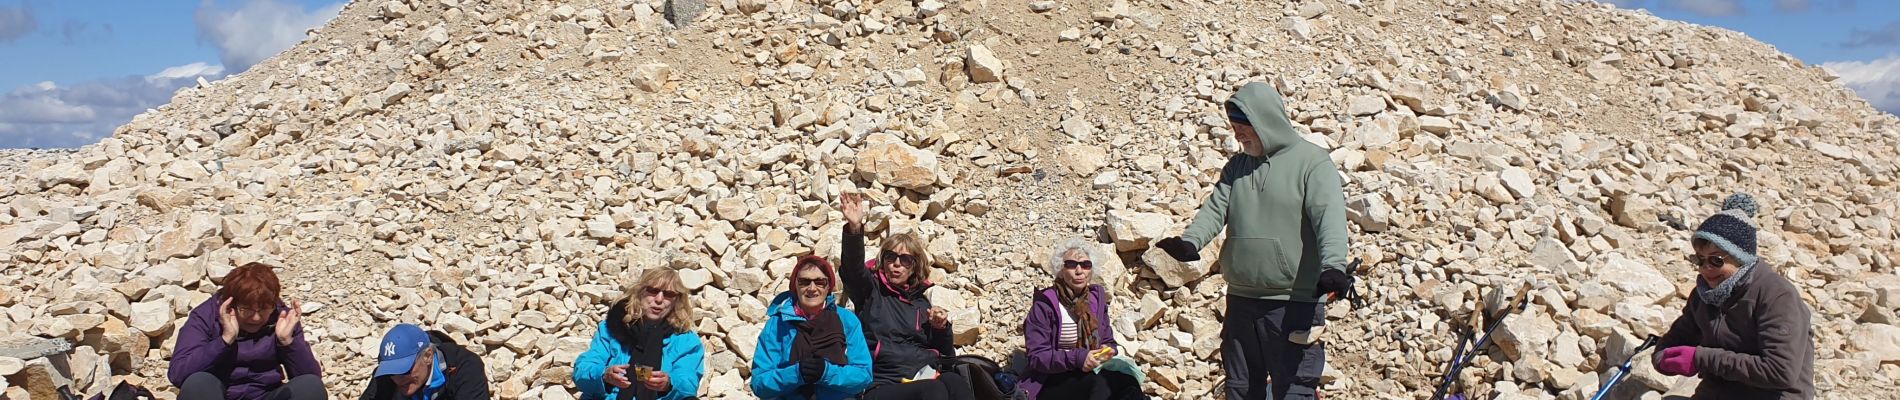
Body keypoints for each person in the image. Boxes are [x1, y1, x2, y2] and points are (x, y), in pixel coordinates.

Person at [1153, 81, 1351, 400]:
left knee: (1295, 389)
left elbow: (1329, 219)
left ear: (1265, 121)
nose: (1238, 135)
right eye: (1234, 128)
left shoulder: (1312, 163)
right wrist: (1191, 243)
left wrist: (1334, 267)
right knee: (1242, 389)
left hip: (1293, 302)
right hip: (1242, 300)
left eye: (1243, 127)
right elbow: (1215, 209)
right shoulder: (1238, 166)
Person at [1652, 193, 1814, 399]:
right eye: (1700, 260)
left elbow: (1780, 371)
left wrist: (1701, 358)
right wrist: (1663, 360)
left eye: (1716, 260)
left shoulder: (1777, 295)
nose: (1706, 269)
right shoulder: (1703, 295)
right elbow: (1674, 341)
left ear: (1742, 259)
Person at [837, 191, 973, 400]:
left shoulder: (921, 303)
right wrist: (855, 229)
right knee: (933, 390)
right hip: (881, 382)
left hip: (921, 375)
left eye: (905, 260)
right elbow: (852, 270)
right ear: (883, 261)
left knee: (955, 381)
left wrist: (941, 329)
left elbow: (946, 356)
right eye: (891, 257)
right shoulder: (870, 291)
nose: (897, 264)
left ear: (914, 267)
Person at [167, 262, 325, 400]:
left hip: (266, 394)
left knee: (310, 386)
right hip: (221, 394)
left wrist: (287, 343)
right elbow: (178, 374)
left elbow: (310, 379)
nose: (256, 317)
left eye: (263, 309)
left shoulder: (282, 318)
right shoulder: (206, 317)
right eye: (246, 309)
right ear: (231, 304)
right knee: (198, 383)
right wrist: (224, 340)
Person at [1021, 238, 1146, 400]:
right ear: (1061, 270)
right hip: (1051, 378)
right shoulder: (1045, 305)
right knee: (1100, 385)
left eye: (1086, 265)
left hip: (1089, 371)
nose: (1079, 271)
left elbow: (1109, 343)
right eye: (1072, 265)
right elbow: (1037, 357)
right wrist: (1079, 358)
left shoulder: (1096, 301)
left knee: (1128, 382)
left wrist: (1100, 356)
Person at [750, 255, 875, 400]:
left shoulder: (847, 321)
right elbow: (759, 383)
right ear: (795, 286)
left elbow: (864, 375)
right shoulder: (777, 324)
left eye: (820, 282)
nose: (812, 288)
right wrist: (796, 373)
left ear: (829, 287)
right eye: (804, 282)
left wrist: (826, 372)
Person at [574, 267, 706, 400]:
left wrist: (669, 384)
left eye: (668, 294)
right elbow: (583, 370)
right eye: (653, 291)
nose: (659, 300)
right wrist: (604, 375)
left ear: (676, 300)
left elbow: (688, 381)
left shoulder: (686, 341)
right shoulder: (612, 329)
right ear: (639, 292)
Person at [360, 323, 491, 400]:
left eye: (405, 370)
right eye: (392, 372)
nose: (398, 379)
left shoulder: (466, 367)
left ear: (428, 356)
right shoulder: (386, 375)